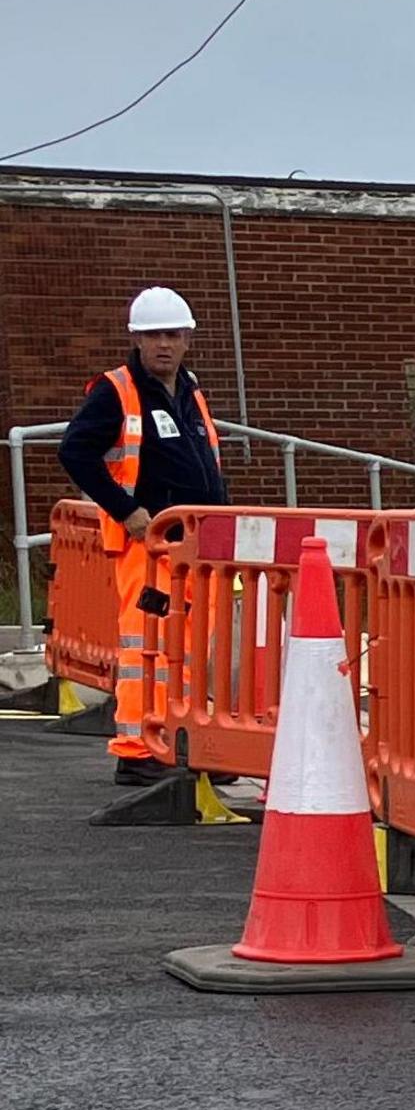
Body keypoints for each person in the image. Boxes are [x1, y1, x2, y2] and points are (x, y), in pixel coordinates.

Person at [58, 287, 231, 784]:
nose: (164, 344)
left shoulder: (188, 390)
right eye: (154, 335)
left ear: (187, 339)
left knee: (189, 650)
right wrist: (126, 510)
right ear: (136, 338)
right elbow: (76, 453)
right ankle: (138, 751)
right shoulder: (117, 390)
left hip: (193, 545)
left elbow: (205, 465)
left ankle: (181, 742)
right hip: (150, 545)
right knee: (146, 649)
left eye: (172, 335)